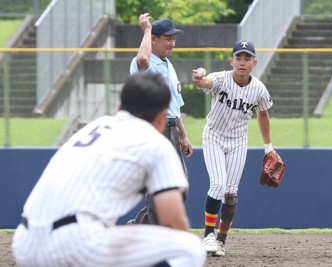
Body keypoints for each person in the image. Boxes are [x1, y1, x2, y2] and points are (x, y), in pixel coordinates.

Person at [12, 73, 206, 267]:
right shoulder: (156, 143)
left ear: (119, 106)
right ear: (163, 117)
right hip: (76, 242)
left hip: (24, 242)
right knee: (189, 248)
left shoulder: (95, 127)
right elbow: (173, 223)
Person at [192, 40, 274, 257]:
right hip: (214, 136)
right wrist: (199, 79)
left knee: (231, 192)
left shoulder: (259, 89)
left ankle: (221, 241)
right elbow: (206, 83)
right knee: (218, 184)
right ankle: (208, 235)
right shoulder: (221, 78)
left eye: (247, 58)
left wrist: (269, 148)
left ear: (254, 62)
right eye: (238, 58)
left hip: (238, 140)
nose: (242, 62)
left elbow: (263, 114)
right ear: (231, 61)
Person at [128, 14, 193, 225]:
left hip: (171, 128)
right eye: (167, 38)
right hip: (154, 128)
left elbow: (176, 105)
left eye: (174, 39)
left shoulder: (168, 65)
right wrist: (146, 30)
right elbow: (143, 59)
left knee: (179, 187)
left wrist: (183, 135)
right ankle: (155, 234)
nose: (172, 43)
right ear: (154, 39)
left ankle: (140, 226)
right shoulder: (144, 62)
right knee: (161, 184)